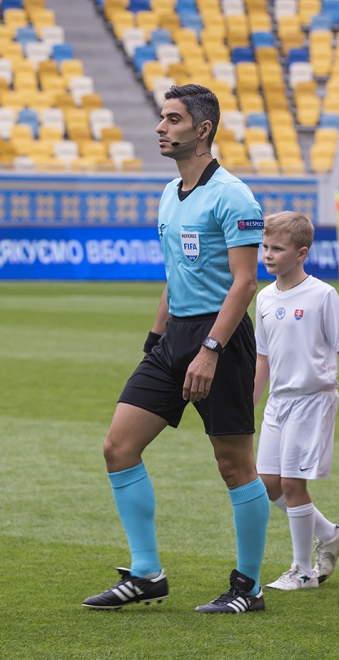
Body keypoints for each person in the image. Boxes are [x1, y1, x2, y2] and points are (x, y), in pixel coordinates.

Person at [82, 83, 269, 614]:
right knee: (119, 447)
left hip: (221, 338)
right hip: (174, 338)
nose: (161, 128)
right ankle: (146, 573)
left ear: (202, 129)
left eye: (173, 119)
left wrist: (210, 349)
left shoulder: (233, 195)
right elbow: (175, 274)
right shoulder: (170, 192)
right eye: (162, 118)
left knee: (234, 464)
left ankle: (248, 587)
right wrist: (155, 339)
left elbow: (244, 283)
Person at [253, 211, 339, 590]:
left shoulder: (322, 295)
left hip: (312, 400)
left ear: (301, 253)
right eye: (265, 247)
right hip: (278, 403)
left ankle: (303, 571)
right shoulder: (264, 297)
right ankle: (331, 535)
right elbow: (262, 358)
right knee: (267, 482)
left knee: (292, 483)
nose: (268, 254)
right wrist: (250, 403)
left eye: (277, 248)